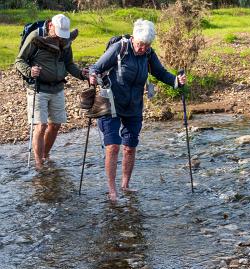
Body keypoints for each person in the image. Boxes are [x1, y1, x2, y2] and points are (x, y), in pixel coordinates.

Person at [89, 19, 186, 201]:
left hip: (133, 105)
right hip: (110, 102)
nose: (143, 49)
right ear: (133, 38)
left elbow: (160, 72)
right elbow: (96, 67)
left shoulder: (149, 53)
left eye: (147, 45)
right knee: (113, 146)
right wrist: (93, 76)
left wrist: (176, 81)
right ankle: (112, 190)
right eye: (141, 44)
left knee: (130, 147)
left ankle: (125, 185)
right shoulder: (120, 48)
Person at [15, 14, 88, 170]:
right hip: (38, 88)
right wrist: (29, 70)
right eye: (58, 33)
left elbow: (69, 64)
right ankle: (39, 164)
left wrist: (82, 74)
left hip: (58, 88)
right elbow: (19, 60)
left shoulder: (65, 41)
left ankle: (45, 155)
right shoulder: (35, 37)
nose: (60, 38)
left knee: (55, 125)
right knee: (40, 126)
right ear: (50, 26)